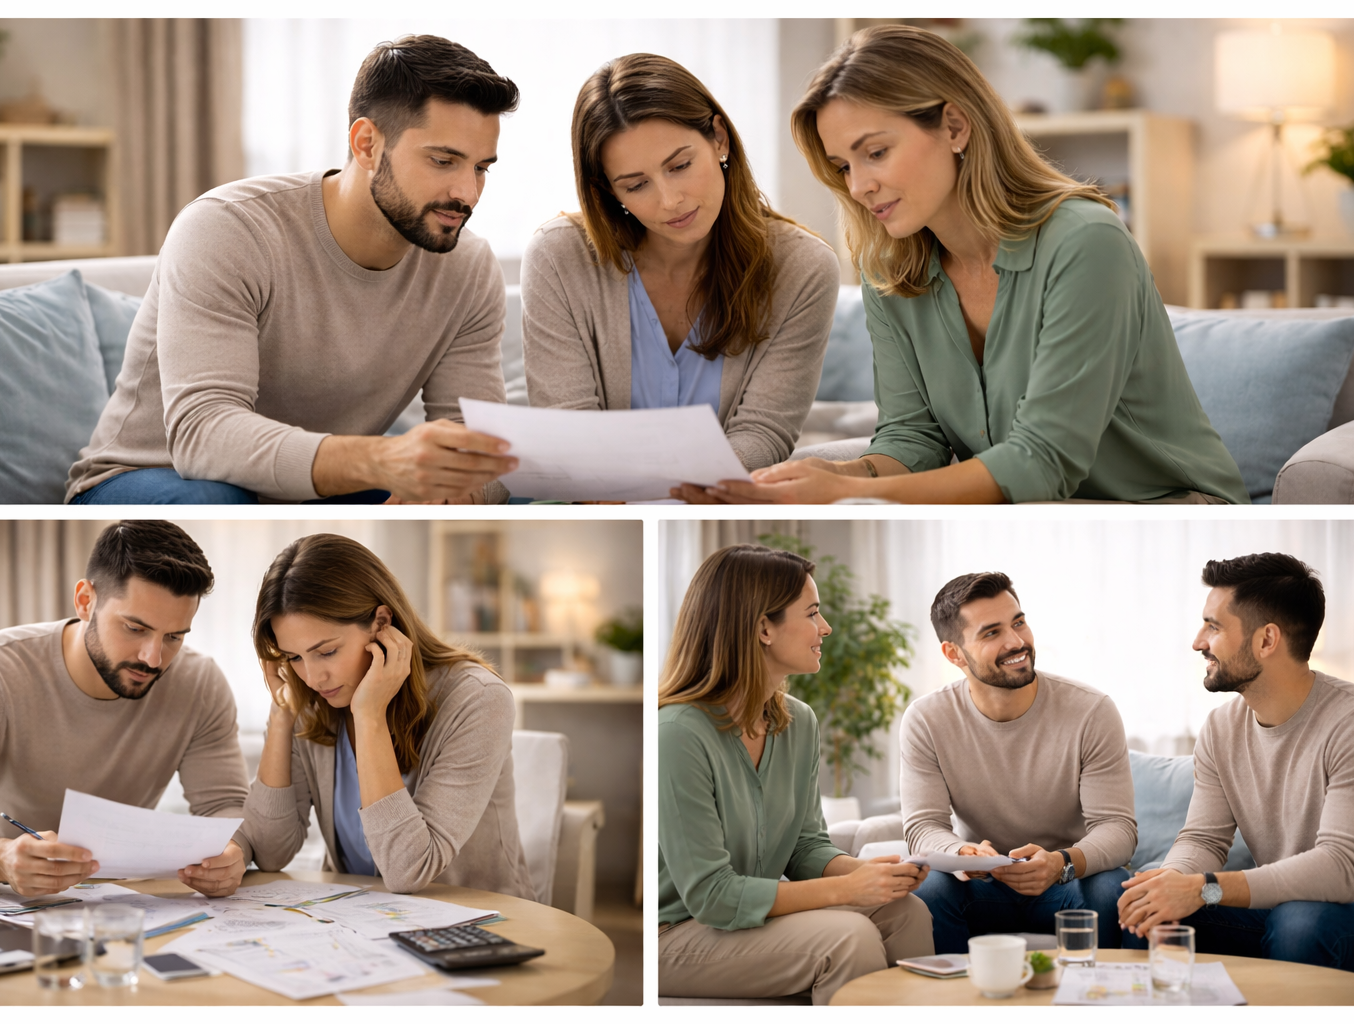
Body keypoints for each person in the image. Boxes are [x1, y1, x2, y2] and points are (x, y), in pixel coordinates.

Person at [706, 25, 1248, 505]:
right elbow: (911, 440)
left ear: (955, 127)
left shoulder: (1087, 244)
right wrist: (837, 472)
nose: (858, 185)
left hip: (1167, 506)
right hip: (1035, 513)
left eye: (875, 152)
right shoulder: (889, 274)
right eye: (843, 165)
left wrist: (854, 489)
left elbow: (1043, 460)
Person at [67, 36, 522, 505]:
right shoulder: (228, 228)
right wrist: (380, 462)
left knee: (530, 499)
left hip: (319, 484)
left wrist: (455, 493)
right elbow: (203, 434)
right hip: (152, 475)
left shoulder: (468, 269)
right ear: (367, 144)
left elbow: (481, 447)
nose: (467, 193)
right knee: (216, 499)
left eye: (482, 168)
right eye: (443, 161)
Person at [522, 53, 839, 498]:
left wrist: (683, 491)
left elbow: (763, 434)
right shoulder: (558, 257)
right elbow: (571, 431)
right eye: (636, 185)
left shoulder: (804, 267)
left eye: (680, 165)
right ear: (607, 191)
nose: (670, 200)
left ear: (720, 139)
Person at [0, 520, 250, 898]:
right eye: (134, 628)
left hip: (123, 904)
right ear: (85, 601)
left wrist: (234, 854)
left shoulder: (201, 684)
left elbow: (226, 810)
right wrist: (0, 859)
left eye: (174, 637)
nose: (153, 658)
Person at [659, 544, 933, 1005]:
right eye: (812, 613)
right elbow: (712, 896)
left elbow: (805, 846)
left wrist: (869, 874)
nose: (825, 628)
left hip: (745, 919)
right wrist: (845, 889)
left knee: (905, 911)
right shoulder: (677, 734)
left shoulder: (798, 722)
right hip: (679, 931)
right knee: (848, 936)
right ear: (764, 627)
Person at [1118, 554, 1354, 978]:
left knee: (1302, 922)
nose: (1198, 641)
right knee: (1152, 916)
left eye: (1213, 626)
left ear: (1267, 640)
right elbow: (1203, 839)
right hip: (1282, 909)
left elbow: (1341, 868)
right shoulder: (1221, 727)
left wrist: (1204, 887)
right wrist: (1168, 882)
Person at [237, 533, 533, 899]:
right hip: (358, 924)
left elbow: (408, 870)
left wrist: (370, 716)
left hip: (476, 924)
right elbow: (269, 852)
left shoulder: (477, 699)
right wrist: (281, 715)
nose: (312, 678)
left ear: (381, 622)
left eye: (326, 652)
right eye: (294, 657)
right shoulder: (313, 701)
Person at [902, 572, 1136, 952]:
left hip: (1066, 881)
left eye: (1019, 622)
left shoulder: (1091, 711)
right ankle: (952, 1007)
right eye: (991, 633)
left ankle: (1096, 1002)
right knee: (930, 887)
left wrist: (1061, 862)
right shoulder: (926, 719)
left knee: (1110, 888)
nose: (1017, 642)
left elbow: (1117, 829)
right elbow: (923, 826)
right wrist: (963, 854)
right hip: (982, 886)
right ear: (954, 653)